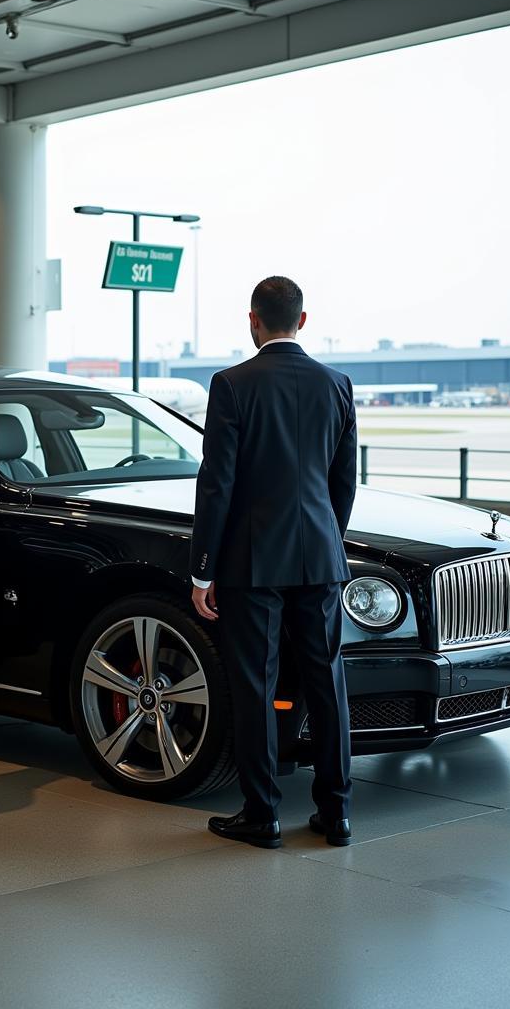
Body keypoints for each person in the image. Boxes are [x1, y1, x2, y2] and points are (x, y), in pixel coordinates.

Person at [190, 275, 357, 849]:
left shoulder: (232, 384)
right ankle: (335, 814)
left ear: (252, 320)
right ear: (303, 321)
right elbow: (343, 482)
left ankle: (262, 815)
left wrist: (203, 568)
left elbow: (218, 483)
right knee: (327, 682)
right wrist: (327, 539)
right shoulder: (336, 384)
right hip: (319, 555)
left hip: (252, 561)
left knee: (255, 685)